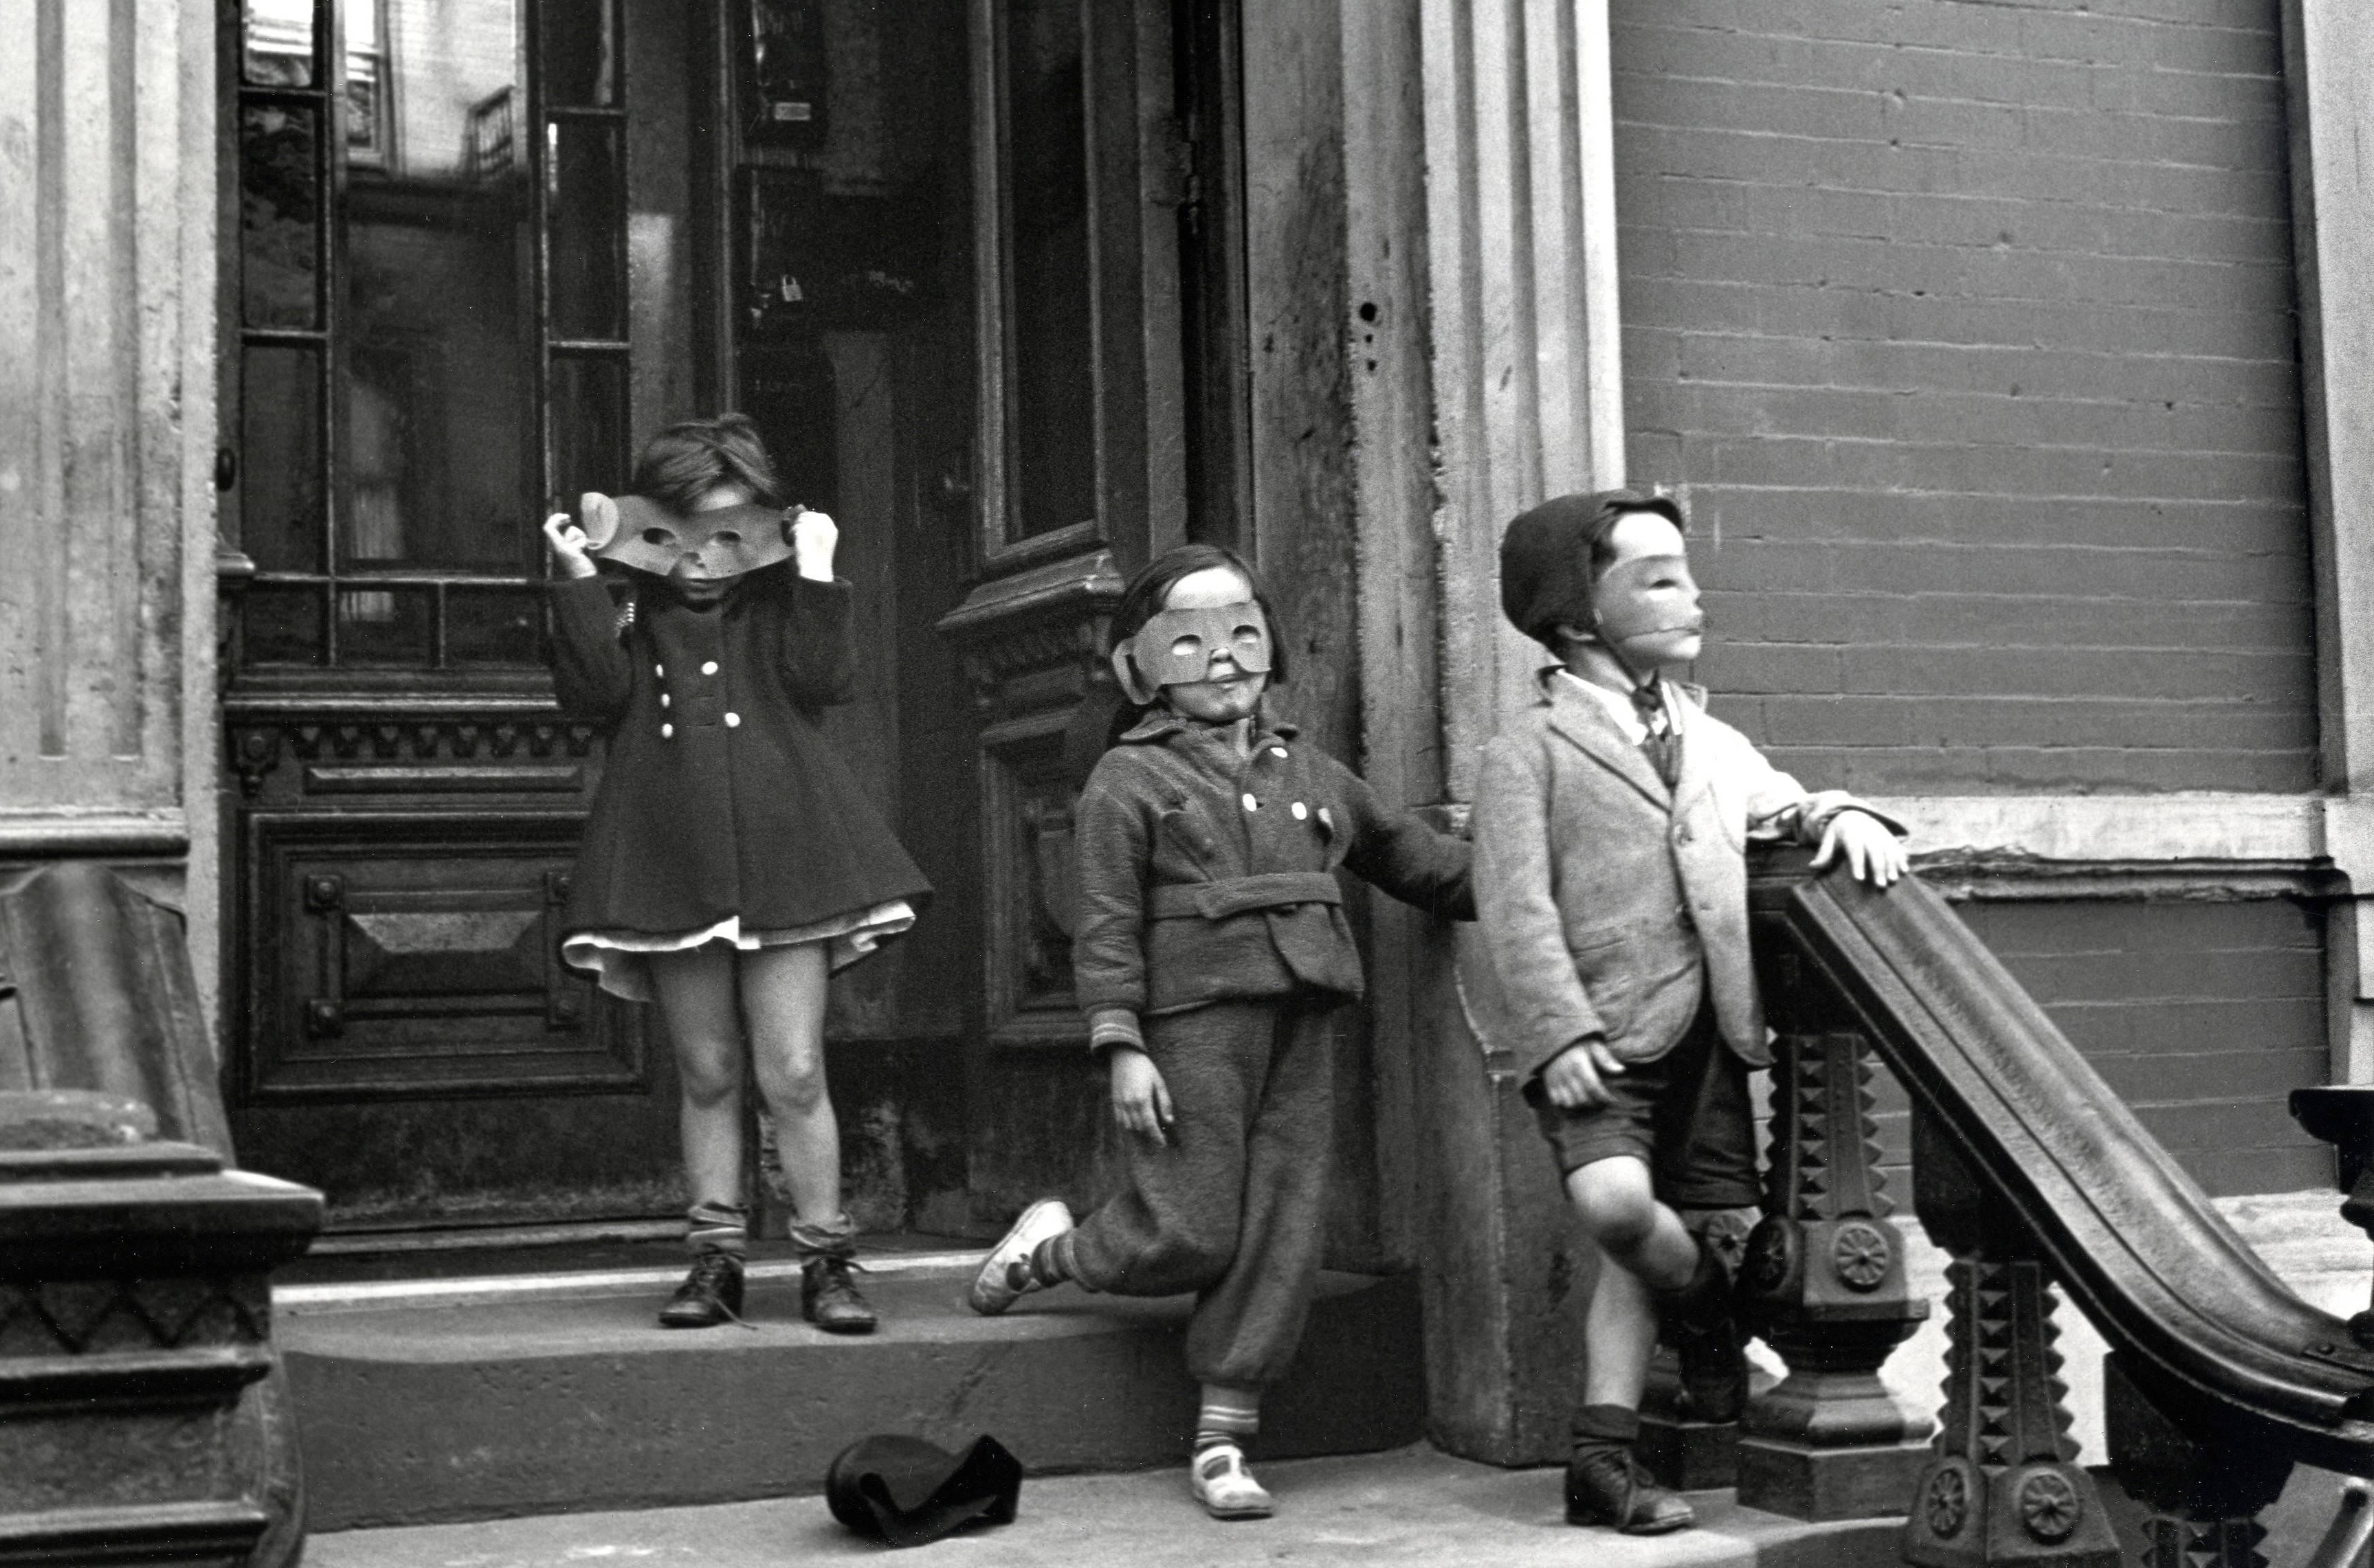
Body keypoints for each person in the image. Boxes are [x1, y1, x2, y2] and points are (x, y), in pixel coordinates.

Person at [964, 544, 1474, 1521]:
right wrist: (1121, 1043)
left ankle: (1223, 1435)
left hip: (1304, 1014)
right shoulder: (1127, 778)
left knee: (1282, 1224)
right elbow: (1104, 922)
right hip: (1191, 1026)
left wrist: (1537, 873)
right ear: (1141, 667)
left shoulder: (1311, 771)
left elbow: (1417, 862)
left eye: (1241, 631)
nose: (1223, 658)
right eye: (1188, 642)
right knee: (1193, 1223)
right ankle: (1056, 1250)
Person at [1469, 489, 1908, 1534]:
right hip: (1599, 1038)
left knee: (1670, 1235)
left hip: (1708, 1031)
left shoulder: (1709, 737)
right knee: (1621, 1210)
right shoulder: (1525, 749)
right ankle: (1709, 1311)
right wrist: (1559, 1031)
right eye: (1658, 577)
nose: (1692, 593)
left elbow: (1776, 800)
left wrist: (1836, 810)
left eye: (1686, 572)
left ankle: (1602, 1461)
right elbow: (1514, 905)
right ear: (1581, 614)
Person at [542, 414, 930, 1336]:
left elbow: (824, 678)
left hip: (787, 853)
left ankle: (825, 1259)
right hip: (670, 856)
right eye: (676, 531)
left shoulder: (776, 597)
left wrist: (819, 567)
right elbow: (594, 695)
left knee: (793, 1067)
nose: (701, 559)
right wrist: (577, 578)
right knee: (708, 1068)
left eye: (725, 531)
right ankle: (714, 1258)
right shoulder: (630, 602)